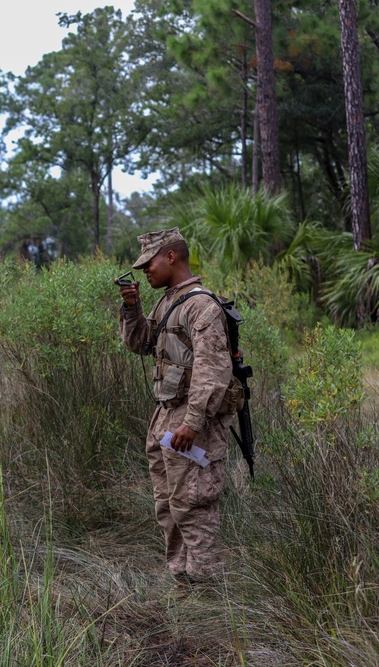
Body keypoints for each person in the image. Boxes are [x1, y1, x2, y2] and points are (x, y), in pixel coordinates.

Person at [117, 227, 241, 585]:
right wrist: (131, 306)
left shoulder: (201, 305)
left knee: (193, 506)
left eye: (149, 263)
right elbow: (142, 343)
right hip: (166, 417)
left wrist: (192, 422)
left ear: (171, 256)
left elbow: (212, 369)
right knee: (168, 506)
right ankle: (182, 581)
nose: (145, 271)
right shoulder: (169, 301)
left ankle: (207, 590)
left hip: (190, 421)